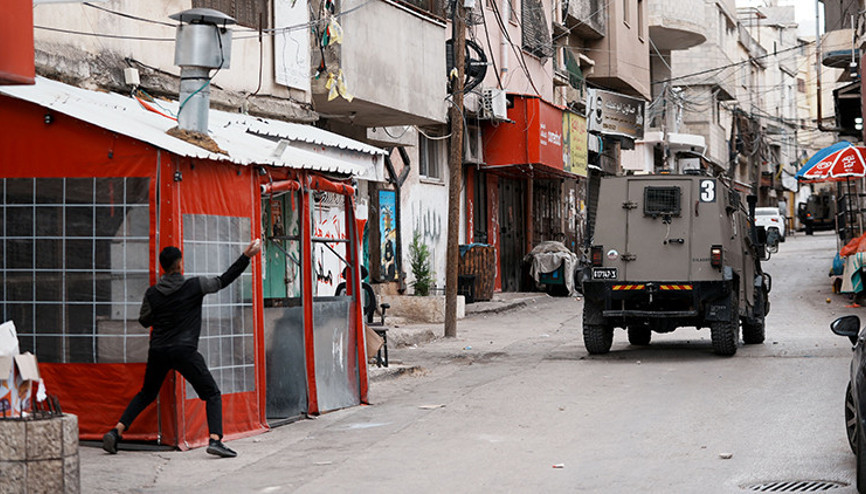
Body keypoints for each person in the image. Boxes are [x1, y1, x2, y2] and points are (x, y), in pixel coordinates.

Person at [102, 239, 262, 458]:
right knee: (212, 393)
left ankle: (116, 431)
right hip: (184, 350)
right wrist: (246, 256)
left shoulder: (152, 293)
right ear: (179, 265)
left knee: (147, 393)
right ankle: (215, 440)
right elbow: (223, 281)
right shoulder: (195, 286)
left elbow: (144, 321)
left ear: (163, 267)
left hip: (158, 351)